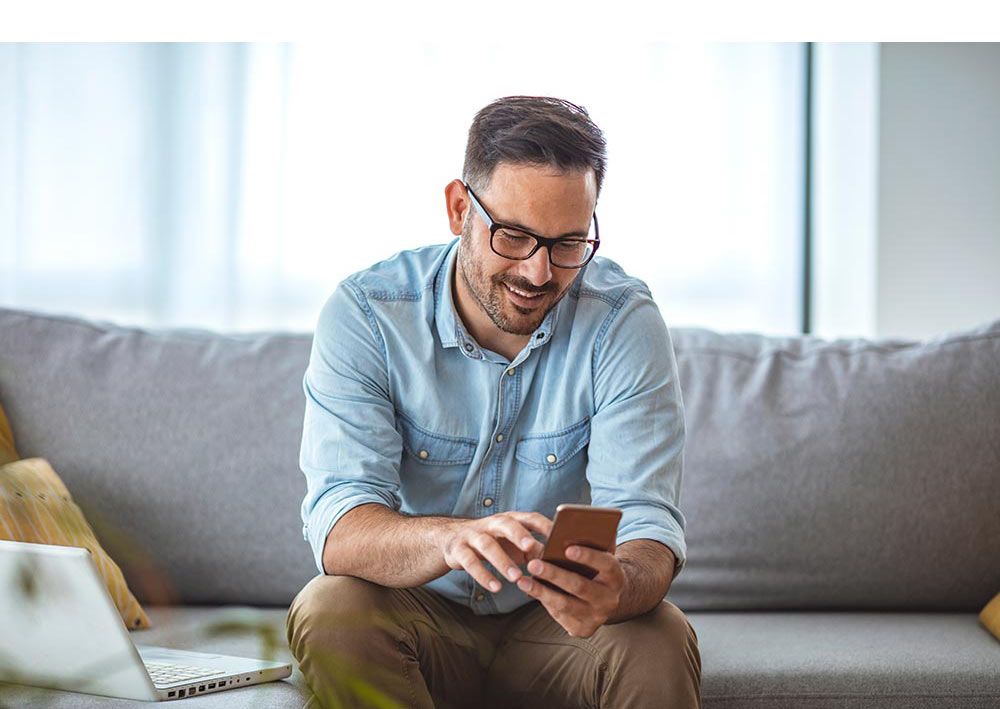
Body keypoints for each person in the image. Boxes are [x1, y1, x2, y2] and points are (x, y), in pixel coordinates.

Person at [286, 95, 702, 708]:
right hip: (419, 613)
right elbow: (340, 525)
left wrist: (623, 582)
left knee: (659, 633)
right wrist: (451, 539)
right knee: (330, 608)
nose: (539, 273)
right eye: (513, 237)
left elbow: (645, 524)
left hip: (556, 629)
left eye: (567, 244)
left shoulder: (622, 322)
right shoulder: (368, 315)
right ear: (460, 209)